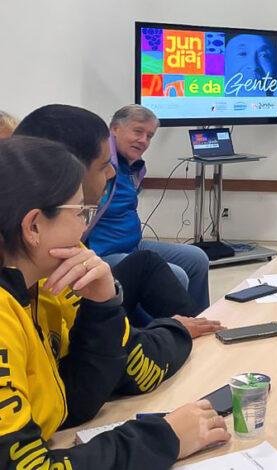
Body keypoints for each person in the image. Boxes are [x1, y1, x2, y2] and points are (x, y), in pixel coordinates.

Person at [0, 136, 229, 469]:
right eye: (81, 212)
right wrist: (163, 438)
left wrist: (102, 305)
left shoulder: (41, 283)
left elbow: (78, 402)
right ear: (33, 226)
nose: (86, 225)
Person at [86, 104, 211, 312]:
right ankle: (170, 333)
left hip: (133, 247)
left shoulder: (133, 166)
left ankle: (199, 321)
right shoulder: (99, 166)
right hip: (104, 253)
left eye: (149, 136)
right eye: (138, 131)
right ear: (114, 129)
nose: (144, 140)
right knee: (175, 275)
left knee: (197, 258)